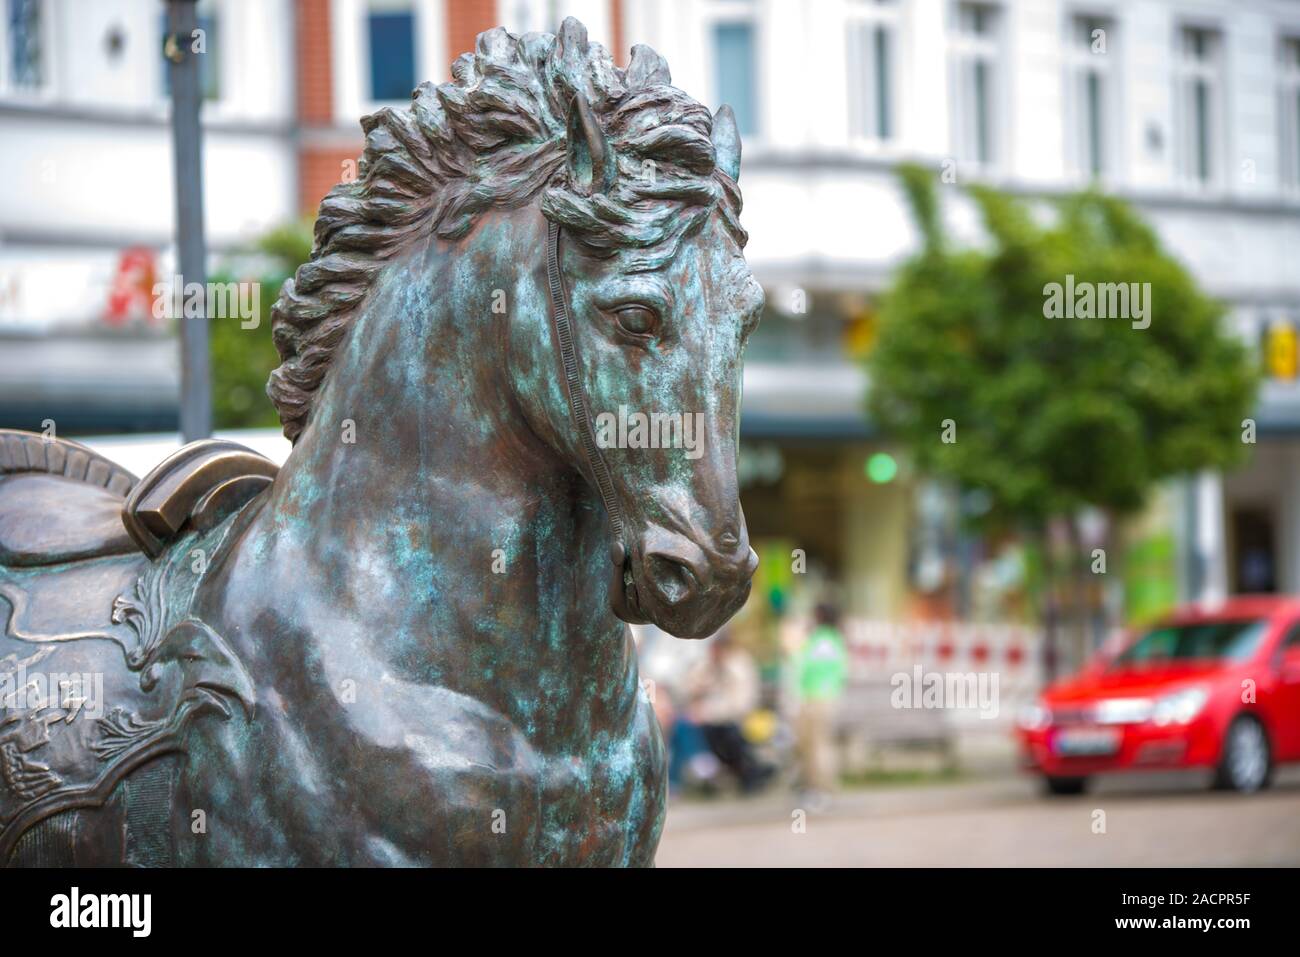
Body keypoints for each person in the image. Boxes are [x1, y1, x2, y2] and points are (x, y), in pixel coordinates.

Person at [684, 632, 772, 793]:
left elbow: (739, 705)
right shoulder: (712, 665)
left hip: (741, 720)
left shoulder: (738, 667)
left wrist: (706, 713)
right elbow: (693, 685)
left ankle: (748, 773)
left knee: (728, 736)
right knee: (699, 730)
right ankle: (717, 775)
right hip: (717, 720)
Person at [792, 603, 849, 805]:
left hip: (818, 698)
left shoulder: (822, 639)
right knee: (812, 744)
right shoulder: (833, 638)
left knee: (818, 746)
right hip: (822, 697)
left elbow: (806, 666)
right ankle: (814, 786)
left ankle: (822, 789)